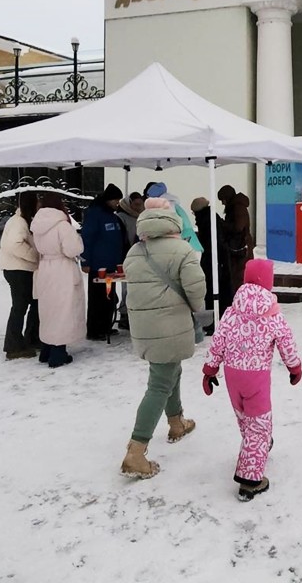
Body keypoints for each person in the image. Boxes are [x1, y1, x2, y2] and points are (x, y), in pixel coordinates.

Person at [120, 198, 206, 479]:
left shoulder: (135, 251)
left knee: (170, 370)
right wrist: (196, 308)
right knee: (159, 384)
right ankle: (136, 451)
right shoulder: (182, 249)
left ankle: (176, 422)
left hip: (145, 326)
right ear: (172, 221)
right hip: (170, 324)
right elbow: (196, 288)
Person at [201, 258, 301, 501]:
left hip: (232, 376)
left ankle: (257, 447)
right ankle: (250, 480)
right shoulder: (272, 313)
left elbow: (218, 341)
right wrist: (294, 367)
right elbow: (286, 341)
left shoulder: (231, 311)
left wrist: (210, 370)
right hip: (256, 378)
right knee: (259, 425)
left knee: (246, 419)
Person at [30, 192, 85, 368]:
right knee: (63, 310)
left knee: (48, 310)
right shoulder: (62, 225)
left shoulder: (37, 225)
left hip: (45, 268)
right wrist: (79, 241)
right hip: (62, 270)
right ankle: (58, 353)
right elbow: (72, 249)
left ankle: (46, 350)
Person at [81, 184, 128, 341]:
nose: (117, 203)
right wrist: (85, 261)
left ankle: (106, 325)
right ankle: (94, 329)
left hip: (112, 265)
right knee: (98, 298)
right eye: (115, 200)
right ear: (108, 199)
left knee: (109, 296)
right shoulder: (95, 214)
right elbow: (87, 238)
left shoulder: (113, 216)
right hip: (98, 265)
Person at [0, 190, 42, 360]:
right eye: (37, 201)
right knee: (20, 306)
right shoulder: (18, 222)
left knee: (33, 302)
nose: (39, 204)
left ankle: (31, 337)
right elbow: (15, 244)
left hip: (21, 269)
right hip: (18, 270)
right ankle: (13, 345)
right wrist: (34, 255)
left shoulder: (23, 220)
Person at [191, 195, 230, 330]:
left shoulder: (206, 220)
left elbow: (213, 242)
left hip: (214, 260)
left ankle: (214, 321)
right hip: (217, 259)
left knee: (214, 290)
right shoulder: (210, 217)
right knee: (215, 289)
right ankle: (215, 320)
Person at [217, 184, 254, 302]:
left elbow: (238, 227)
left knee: (239, 277)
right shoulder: (237, 206)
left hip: (240, 248)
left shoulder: (237, 207)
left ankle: (240, 301)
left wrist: (223, 224)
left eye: (223, 199)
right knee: (238, 276)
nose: (222, 203)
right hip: (241, 247)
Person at [115, 192, 145, 331]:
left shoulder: (141, 216)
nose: (139, 207)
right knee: (127, 287)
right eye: (136, 204)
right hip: (126, 256)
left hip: (140, 256)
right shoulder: (121, 217)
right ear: (130, 203)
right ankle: (124, 314)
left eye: (141, 204)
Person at [146, 182, 203, 253]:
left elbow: (170, 226)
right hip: (189, 243)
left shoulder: (168, 206)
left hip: (185, 243)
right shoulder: (172, 204)